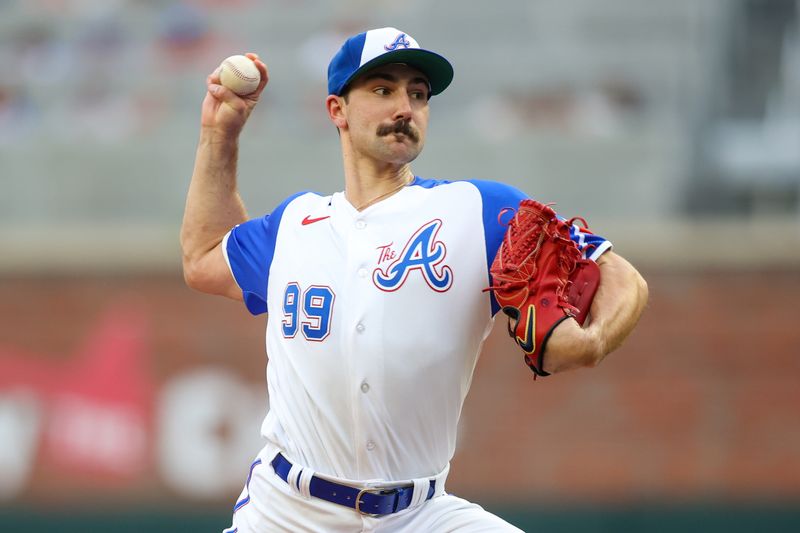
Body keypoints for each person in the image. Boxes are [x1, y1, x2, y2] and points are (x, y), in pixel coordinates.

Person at [181, 27, 648, 533]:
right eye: (383, 90)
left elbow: (620, 274)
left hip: (420, 514)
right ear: (336, 110)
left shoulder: (479, 210)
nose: (405, 106)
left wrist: (595, 338)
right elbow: (204, 256)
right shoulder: (296, 224)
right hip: (288, 512)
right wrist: (219, 135)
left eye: (418, 94)